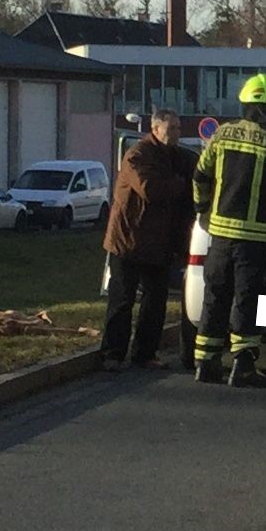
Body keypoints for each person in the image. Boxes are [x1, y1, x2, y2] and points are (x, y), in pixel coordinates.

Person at [192, 75, 266, 386]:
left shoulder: (222, 134)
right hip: (255, 238)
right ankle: (243, 365)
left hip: (219, 235)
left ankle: (206, 363)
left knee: (215, 296)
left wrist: (202, 211)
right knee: (246, 298)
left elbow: (200, 176)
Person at [99, 107, 195, 370]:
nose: (176, 133)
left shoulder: (178, 157)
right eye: (171, 128)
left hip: (158, 243)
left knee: (155, 301)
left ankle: (144, 353)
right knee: (122, 300)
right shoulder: (137, 156)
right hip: (128, 240)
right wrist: (181, 184)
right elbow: (150, 189)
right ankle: (112, 354)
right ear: (155, 129)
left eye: (178, 128)